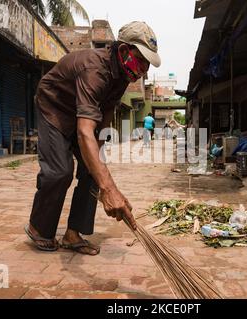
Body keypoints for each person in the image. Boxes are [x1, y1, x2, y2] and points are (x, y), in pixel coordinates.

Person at [25, 21, 161, 254]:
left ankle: (72, 235)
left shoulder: (122, 76)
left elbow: (106, 112)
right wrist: (109, 189)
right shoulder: (94, 69)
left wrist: (99, 168)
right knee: (59, 171)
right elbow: (84, 130)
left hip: (81, 116)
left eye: (147, 64)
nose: (144, 70)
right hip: (54, 108)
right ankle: (39, 228)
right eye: (141, 61)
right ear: (123, 51)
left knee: (93, 170)